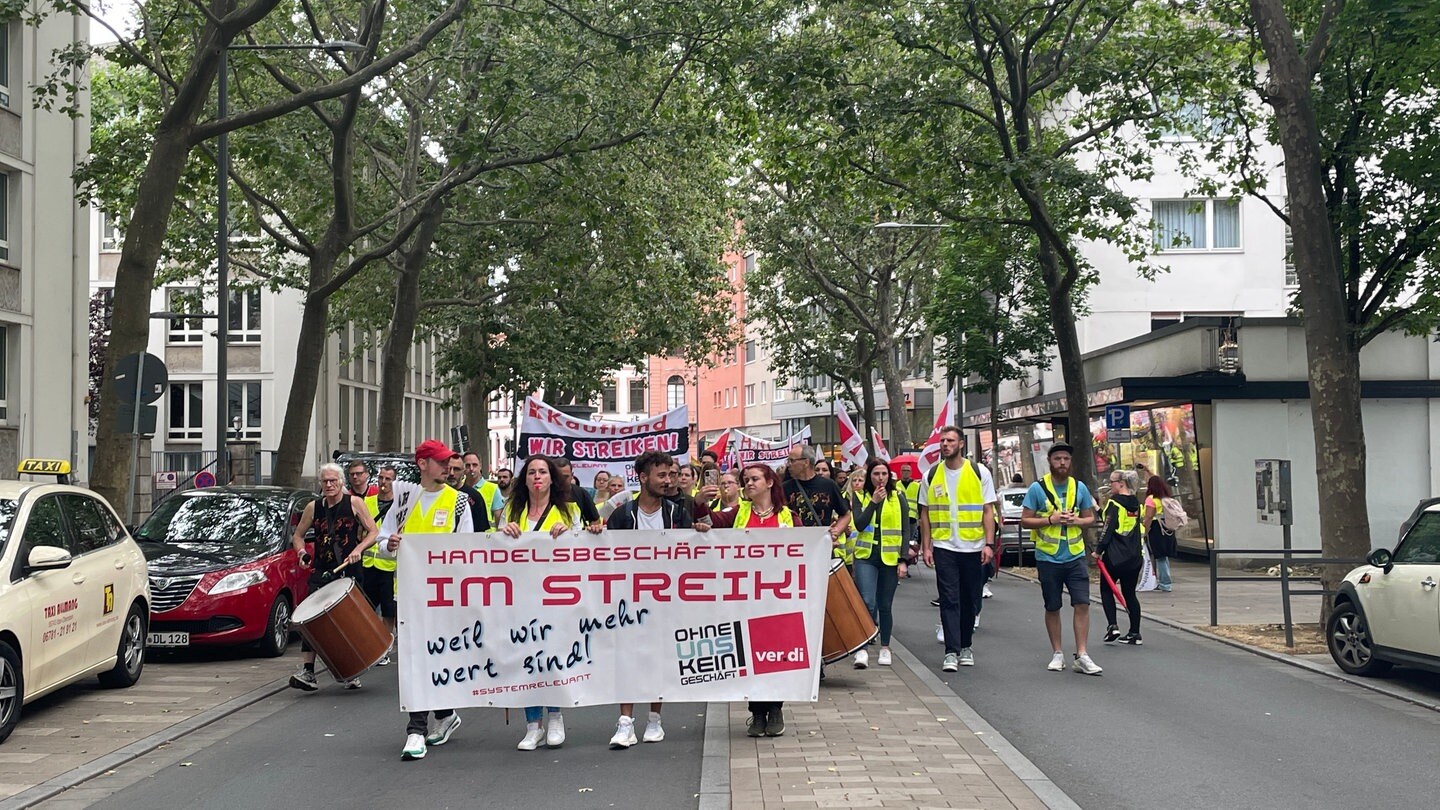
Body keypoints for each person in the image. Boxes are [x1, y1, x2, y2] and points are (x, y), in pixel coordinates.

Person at [379, 441, 474, 761]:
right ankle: (417, 729)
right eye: (441, 462)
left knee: (437, 658)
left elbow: (467, 553)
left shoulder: (460, 503)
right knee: (414, 661)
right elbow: (381, 540)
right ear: (422, 464)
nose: (448, 468)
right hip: (407, 594)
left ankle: (444, 714)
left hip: (443, 597)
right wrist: (388, 544)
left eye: (449, 463)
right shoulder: (404, 499)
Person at [500, 455, 601, 750]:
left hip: (557, 596)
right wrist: (503, 533)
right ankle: (533, 726)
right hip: (521, 596)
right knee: (527, 659)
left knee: (553, 655)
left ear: (552, 477)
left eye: (542, 472)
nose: (537, 477)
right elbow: (495, 548)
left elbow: (583, 546)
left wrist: (571, 533)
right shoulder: (512, 509)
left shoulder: (568, 509)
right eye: (531, 472)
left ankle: (555, 716)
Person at [604, 450, 693, 749]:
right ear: (643, 478)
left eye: (671, 475)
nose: (668, 481)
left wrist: (701, 531)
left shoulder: (677, 513)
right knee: (626, 658)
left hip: (666, 601)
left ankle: (655, 720)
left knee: (658, 658)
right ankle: (625, 723)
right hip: (628, 601)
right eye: (662, 475)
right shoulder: (622, 515)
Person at [711, 463, 795, 737]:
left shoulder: (789, 516)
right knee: (750, 655)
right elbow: (714, 521)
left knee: (775, 656)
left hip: (778, 599)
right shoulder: (739, 512)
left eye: (754, 479)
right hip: (746, 597)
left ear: (770, 482)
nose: (748, 483)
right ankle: (757, 714)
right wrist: (700, 509)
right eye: (745, 479)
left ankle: (776, 709)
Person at [289, 462, 380, 692]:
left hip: (348, 569)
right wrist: (301, 553)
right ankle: (308, 671)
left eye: (333, 481)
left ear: (341, 482)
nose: (329, 485)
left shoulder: (354, 503)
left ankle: (351, 670)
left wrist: (359, 550)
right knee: (312, 621)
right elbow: (298, 536)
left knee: (346, 621)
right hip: (321, 569)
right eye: (325, 481)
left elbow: (373, 532)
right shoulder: (314, 507)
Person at [1020, 442, 1102, 675]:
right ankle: (1057, 653)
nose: (1063, 463)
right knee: (1053, 605)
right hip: (1048, 557)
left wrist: (1077, 521)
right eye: (1058, 459)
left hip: (1075, 556)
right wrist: (1051, 519)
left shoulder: (1079, 487)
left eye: (1066, 459)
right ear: (1050, 462)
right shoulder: (1038, 488)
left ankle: (1082, 654)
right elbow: (1025, 520)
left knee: (1082, 603)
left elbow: (1090, 518)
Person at [919, 427, 996, 672]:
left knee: (969, 600)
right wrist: (926, 546)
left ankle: (966, 646)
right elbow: (925, 514)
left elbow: (987, 510)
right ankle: (951, 651)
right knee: (949, 599)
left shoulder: (978, 471)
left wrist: (989, 543)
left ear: (961, 444)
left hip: (973, 547)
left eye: (950, 440)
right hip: (944, 547)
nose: (945, 444)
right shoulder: (931, 475)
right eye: (942, 441)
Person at [850, 459, 910, 669]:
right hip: (867, 556)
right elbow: (859, 523)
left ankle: (885, 647)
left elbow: (905, 529)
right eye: (876, 474)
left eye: (884, 474)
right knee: (867, 601)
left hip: (890, 557)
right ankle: (862, 648)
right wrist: (874, 502)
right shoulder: (860, 496)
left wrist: (904, 559)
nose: (880, 478)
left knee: (885, 604)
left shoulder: (898, 497)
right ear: (870, 477)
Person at [1097, 470, 1145, 645]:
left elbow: (1108, 529)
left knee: (1106, 589)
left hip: (1115, 556)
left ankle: (1113, 626)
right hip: (1134, 556)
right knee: (1130, 593)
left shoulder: (1114, 503)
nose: (1110, 485)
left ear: (1121, 483)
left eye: (1112, 482)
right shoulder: (1137, 504)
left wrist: (1098, 550)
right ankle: (1134, 633)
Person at [361, 465, 399, 665]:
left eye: (388, 479)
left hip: (390, 567)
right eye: (381, 478)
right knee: (367, 609)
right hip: (368, 564)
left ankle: (385, 647)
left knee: (388, 610)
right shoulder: (367, 502)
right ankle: (374, 644)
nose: (383, 482)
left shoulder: (400, 504)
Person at [783, 444, 851, 553]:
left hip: (820, 547)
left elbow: (846, 514)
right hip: (793, 548)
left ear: (806, 462)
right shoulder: (784, 488)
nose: (788, 465)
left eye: (792, 461)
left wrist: (836, 531)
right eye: (788, 461)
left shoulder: (829, 485)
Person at [1143, 475, 1176, 592]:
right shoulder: (1165, 497)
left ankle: (1164, 583)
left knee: (1159, 556)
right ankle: (1163, 581)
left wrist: (1145, 531)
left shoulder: (1151, 499)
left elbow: (1149, 516)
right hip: (1167, 527)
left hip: (1156, 528)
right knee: (1163, 556)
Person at [554, 457, 605, 532]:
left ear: (572, 475)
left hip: (576, 540)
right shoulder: (544, 492)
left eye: (565, 477)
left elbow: (595, 521)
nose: (561, 480)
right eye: (558, 477)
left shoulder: (581, 493)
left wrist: (593, 531)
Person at [463, 451, 502, 520]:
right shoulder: (458, 488)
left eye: (475, 465)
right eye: (468, 465)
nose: (471, 468)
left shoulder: (493, 489)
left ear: (480, 466)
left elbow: (499, 521)